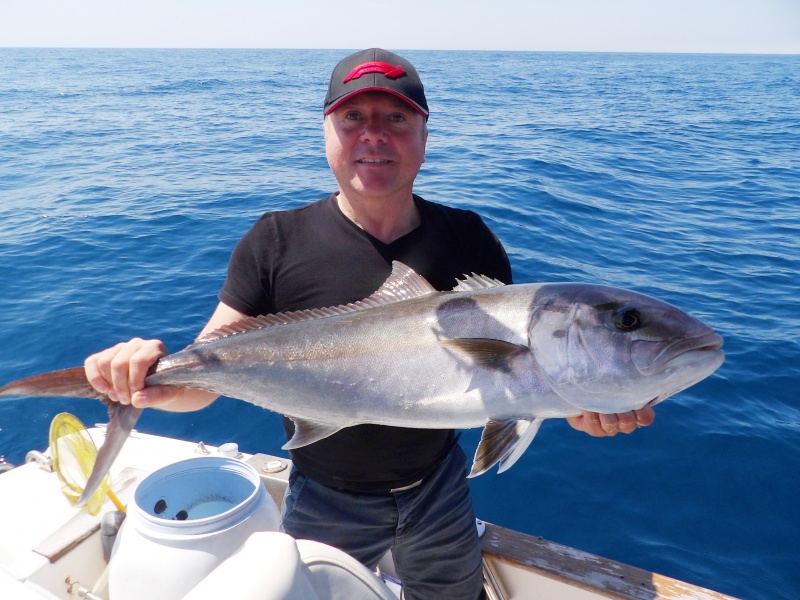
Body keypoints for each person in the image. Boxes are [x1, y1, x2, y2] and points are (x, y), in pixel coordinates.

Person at [84, 48, 655, 600]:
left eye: (397, 118)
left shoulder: (468, 238)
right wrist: (140, 379)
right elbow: (197, 382)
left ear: (425, 137)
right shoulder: (276, 241)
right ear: (327, 132)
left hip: (440, 490)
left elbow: (510, 384)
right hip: (323, 497)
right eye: (353, 116)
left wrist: (581, 403)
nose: (374, 134)